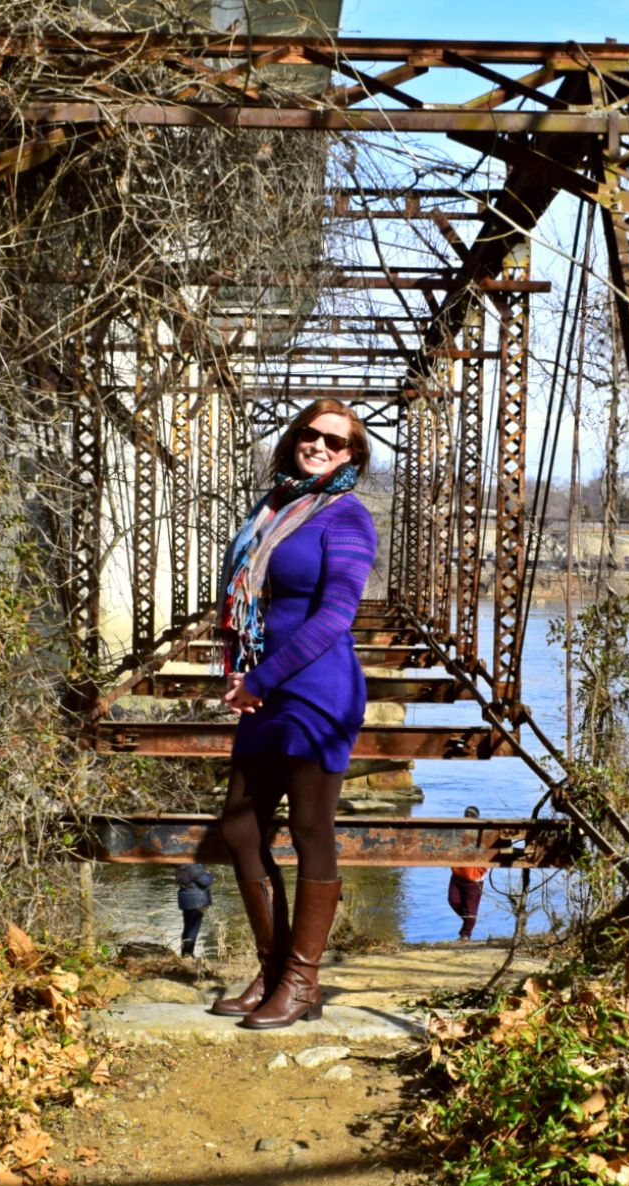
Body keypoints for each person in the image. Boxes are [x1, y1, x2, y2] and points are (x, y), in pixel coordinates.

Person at [208, 399, 377, 1030]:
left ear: (351, 456)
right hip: (268, 687)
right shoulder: (274, 510)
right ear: (292, 439)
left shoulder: (348, 517)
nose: (319, 446)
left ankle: (302, 982)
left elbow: (335, 618)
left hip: (317, 691)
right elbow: (251, 604)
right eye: (309, 434)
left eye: (334, 442)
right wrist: (241, 672)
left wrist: (259, 679)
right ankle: (274, 968)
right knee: (240, 827)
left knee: (310, 831)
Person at [448, 805, 488, 941]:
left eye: (472, 816)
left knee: (471, 909)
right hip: (458, 874)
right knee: (453, 901)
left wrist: (480, 871)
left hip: (474, 879)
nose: (469, 818)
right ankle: (469, 922)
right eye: (467, 815)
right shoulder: (459, 832)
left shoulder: (483, 834)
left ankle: (465, 935)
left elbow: (488, 854)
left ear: (477, 818)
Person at [175, 862, 214, 957]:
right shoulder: (193, 866)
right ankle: (188, 954)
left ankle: (184, 953)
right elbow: (205, 882)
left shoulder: (180, 865)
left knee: (187, 928)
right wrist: (209, 874)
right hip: (196, 901)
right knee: (193, 929)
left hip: (186, 899)